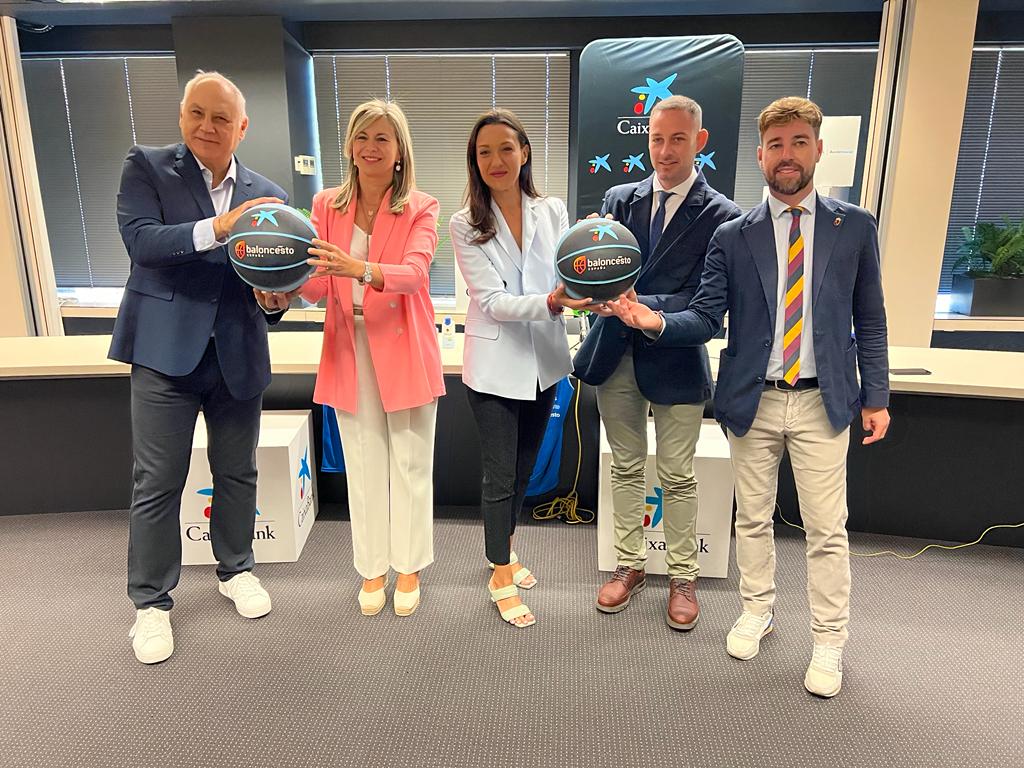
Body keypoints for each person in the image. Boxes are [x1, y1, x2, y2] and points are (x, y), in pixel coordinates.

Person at [608, 96, 890, 697]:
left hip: (823, 401)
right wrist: (651, 322)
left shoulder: (855, 226)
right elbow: (707, 316)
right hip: (753, 400)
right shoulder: (736, 234)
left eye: (798, 144)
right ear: (760, 155)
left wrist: (877, 395)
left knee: (826, 529)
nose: (787, 157)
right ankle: (756, 611)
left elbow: (870, 318)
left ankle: (829, 639)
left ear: (817, 148)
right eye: (776, 146)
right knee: (752, 520)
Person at [111, 71, 291, 664]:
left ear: (242, 127)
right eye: (197, 113)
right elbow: (143, 243)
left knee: (237, 473)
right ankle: (151, 603)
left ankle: (236, 568)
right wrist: (218, 228)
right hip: (165, 354)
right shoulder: (148, 167)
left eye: (221, 118)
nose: (207, 127)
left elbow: (270, 277)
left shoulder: (268, 193)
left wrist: (275, 298)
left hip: (237, 351)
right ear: (183, 116)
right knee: (157, 481)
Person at [572, 95, 741, 630]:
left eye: (677, 139)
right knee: (624, 466)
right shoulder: (619, 199)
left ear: (700, 142)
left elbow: (707, 310)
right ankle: (629, 565)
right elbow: (597, 276)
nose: (665, 151)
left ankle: (683, 576)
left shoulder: (723, 217)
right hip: (614, 356)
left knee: (677, 475)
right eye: (656, 139)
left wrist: (644, 308)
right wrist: (587, 283)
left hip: (675, 360)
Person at [301, 99, 443, 618]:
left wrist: (357, 267)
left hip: (403, 344)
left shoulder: (421, 206)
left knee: (408, 461)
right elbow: (317, 284)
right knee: (362, 462)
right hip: (348, 344)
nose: (370, 148)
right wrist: (280, 288)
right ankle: (371, 566)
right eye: (362, 137)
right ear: (349, 146)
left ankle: (408, 566)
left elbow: (414, 274)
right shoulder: (326, 205)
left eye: (383, 138)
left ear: (400, 149)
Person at [450, 110, 592, 628]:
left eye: (505, 148)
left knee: (525, 469)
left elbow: (568, 269)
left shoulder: (551, 210)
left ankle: (504, 552)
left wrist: (586, 294)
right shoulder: (464, 223)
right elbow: (491, 301)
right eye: (484, 152)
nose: (495, 160)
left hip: (545, 364)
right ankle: (500, 572)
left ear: (524, 152)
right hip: (493, 366)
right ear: (475, 161)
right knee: (499, 476)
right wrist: (555, 303)